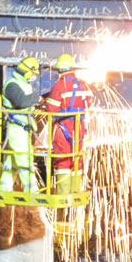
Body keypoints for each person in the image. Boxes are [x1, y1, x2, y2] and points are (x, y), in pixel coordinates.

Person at [44, 54, 93, 197]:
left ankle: (63, 195)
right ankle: (75, 191)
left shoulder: (59, 86)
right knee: (76, 159)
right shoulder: (83, 84)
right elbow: (88, 103)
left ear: (58, 69)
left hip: (62, 128)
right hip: (79, 127)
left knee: (63, 160)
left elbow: (51, 110)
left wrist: (44, 103)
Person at [0, 57, 41, 193]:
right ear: (27, 72)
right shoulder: (12, 85)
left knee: (12, 160)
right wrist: (36, 98)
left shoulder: (22, 83)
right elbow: (21, 102)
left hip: (22, 128)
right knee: (25, 160)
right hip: (16, 128)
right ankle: (32, 192)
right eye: (33, 72)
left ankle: (4, 188)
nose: (34, 75)